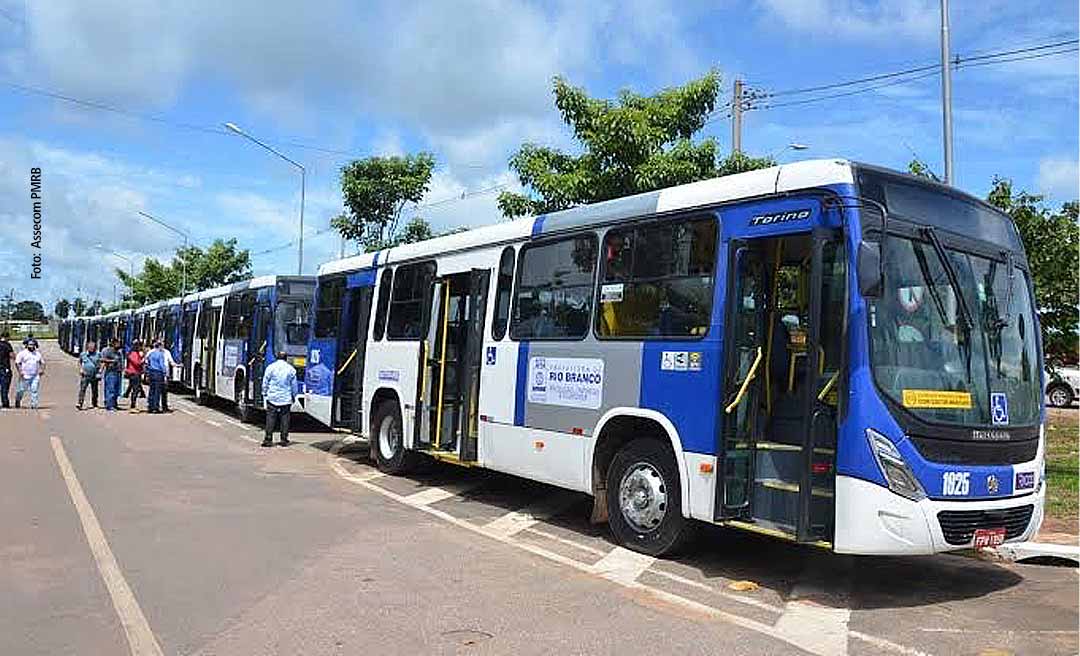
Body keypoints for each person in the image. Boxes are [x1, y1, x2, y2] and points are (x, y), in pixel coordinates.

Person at [261, 350, 297, 447]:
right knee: (285, 419)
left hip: (272, 397)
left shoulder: (270, 367)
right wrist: (294, 396)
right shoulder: (291, 369)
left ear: (277, 357)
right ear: (286, 358)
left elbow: (265, 381)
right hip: (285, 398)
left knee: (270, 418)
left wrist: (264, 393)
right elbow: (294, 386)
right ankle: (284, 440)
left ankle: (268, 439)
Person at [14, 339, 45, 409]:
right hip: (25, 376)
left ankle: (34, 404)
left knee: (34, 390)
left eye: (33, 344)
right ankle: (18, 400)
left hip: (35, 375)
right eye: (30, 344)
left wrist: (42, 370)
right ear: (26, 345)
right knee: (21, 390)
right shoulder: (22, 353)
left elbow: (42, 362)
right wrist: (20, 371)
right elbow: (17, 363)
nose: (31, 346)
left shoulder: (37, 354)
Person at [144, 340, 170, 414]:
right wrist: (165, 374)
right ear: (159, 346)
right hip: (158, 373)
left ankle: (150, 406)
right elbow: (162, 365)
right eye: (162, 346)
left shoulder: (151, 353)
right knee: (157, 391)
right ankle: (156, 407)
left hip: (151, 372)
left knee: (151, 390)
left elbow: (147, 362)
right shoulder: (160, 354)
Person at [100, 338, 123, 412]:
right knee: (110, 389)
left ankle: (114, 404)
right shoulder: (107, 351)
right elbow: (102, 359)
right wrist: (111, 361)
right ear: (113, 344)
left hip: (118, 372)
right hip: (111, 372)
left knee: (117, 390)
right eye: (117, 343)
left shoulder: (119, 352)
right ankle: (109, 405)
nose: (119, 345)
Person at [77, 341, 101, 410]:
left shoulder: (98, 354)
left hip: (94, 374)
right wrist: (80, 369)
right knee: (82, 389)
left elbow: (101, 363)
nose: (92, 349)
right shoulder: (83, 354)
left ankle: (94, 403)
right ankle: (80, 403)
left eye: (93, 348)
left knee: (95, 390)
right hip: (85, 374)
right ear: (87, 347)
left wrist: (100, 372)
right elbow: (79, 362)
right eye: (90, 347)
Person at [125, 340, 145, 413]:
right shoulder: (133, 353)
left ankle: (133, 404)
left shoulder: (135, 353)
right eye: (140, 346)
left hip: (136, 373)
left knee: (135, 389)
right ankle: (132, 406)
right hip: (134, 373)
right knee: (135, 390)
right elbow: (137, 363)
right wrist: (143, 360)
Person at [0, 332, 13, 409]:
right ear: (7, 337)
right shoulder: (7, 345)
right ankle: (5, 403)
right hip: (4, 368)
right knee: (4, 387)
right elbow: (12, 355)